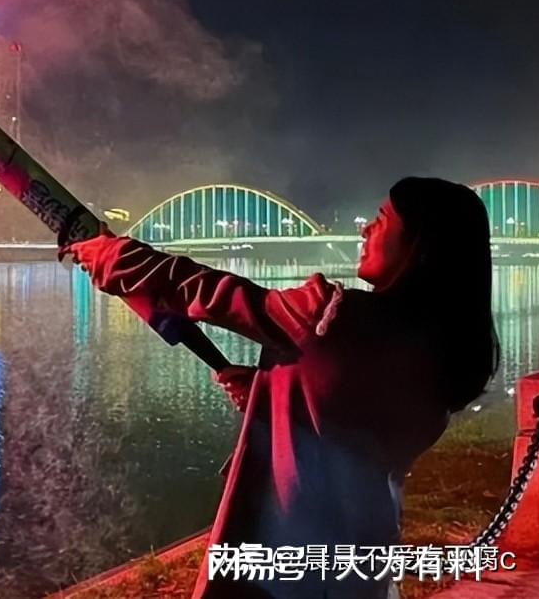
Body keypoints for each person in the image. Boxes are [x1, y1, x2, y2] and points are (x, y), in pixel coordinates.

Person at [68, 177, 500, 598]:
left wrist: (112, 255)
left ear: (418, 246)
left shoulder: (332, 316)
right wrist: (269, 390)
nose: (367, 228)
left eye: (382, 218)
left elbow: (208, 291)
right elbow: (343, 408)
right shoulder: (445, 361)